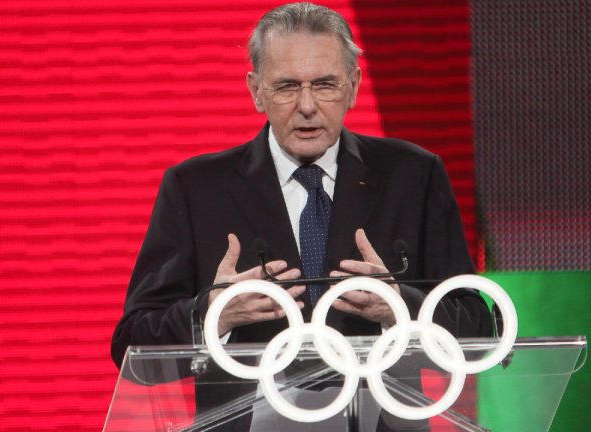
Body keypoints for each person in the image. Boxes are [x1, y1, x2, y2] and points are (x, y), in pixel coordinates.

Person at [111, 2, 493, 430]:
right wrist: (214, 312)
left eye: (325, 84)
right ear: (256, 91)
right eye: (287, 86)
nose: (307, 106)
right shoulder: (195, 188)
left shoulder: (414, 176)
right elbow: (134, 349)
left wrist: (398, 305)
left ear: (353, 85)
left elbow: (480, 334)